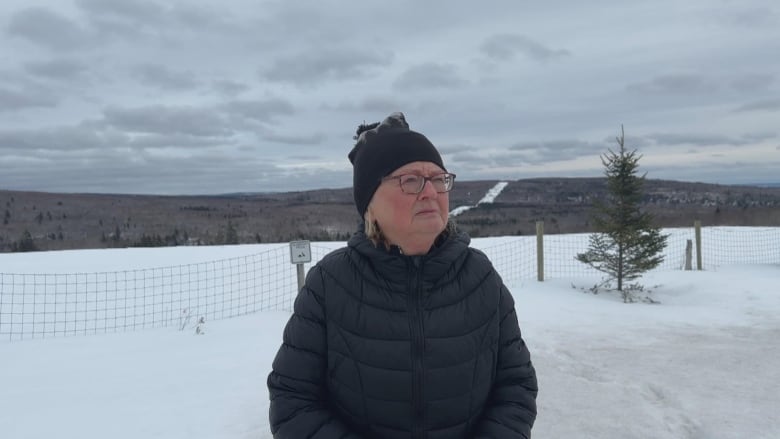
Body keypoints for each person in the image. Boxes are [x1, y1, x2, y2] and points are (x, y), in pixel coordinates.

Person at [267, 112, 537, 438]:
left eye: (438, 179)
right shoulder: (330, 284)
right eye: (410, 180)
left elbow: (515, 385)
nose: (430, 192)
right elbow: (293, 401)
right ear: (370, 204)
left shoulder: (480, 277)